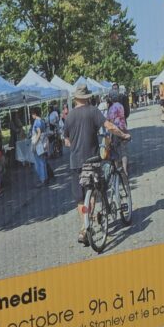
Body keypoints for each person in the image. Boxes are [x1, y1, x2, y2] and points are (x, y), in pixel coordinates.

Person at [65, 84, 130, 245]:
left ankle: (84, 226)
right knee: (92, 191)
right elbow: (109, 126)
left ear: (75, 98)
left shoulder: (69, 116)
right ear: (87, 97)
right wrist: (123, 134)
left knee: (80, 199)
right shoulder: (93, 111)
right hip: (91, 161)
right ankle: (89, 222)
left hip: (74, 163)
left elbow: (66, 141)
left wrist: (75, 143)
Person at [106, 89, 129, 176]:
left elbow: (110, 121)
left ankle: (118, 172)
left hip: (116, 131)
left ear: (111, 98)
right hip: (123, 128)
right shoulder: (121, 105)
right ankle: (125, 170)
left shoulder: (112, 108)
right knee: (123, 151)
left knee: (115, 152)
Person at [29, 107, 49, 186]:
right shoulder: (42, 120)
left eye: (32, 114)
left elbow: (38, 132)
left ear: (34, 113)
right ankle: (45, 178)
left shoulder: (37, 122)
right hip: (43, 143)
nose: (31, 115)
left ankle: (42, 179)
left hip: (38, 144)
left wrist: (35, 143)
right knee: (43, 161)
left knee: (39, 162)